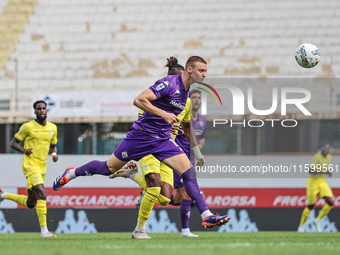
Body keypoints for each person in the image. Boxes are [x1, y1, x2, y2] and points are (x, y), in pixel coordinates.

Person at [53, 56, 230, 239]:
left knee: (188, 173)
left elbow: (185, 126)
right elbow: (138, 100)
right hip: (142, 137)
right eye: (202, 71)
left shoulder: (186, 92)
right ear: (190, 69)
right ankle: (72, 173)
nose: (205, 75)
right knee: (108, 168)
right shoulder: (168, 83)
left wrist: (196, 151)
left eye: (206, 71)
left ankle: (206, 216)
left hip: (162, 140)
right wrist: (165, 114)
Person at [114, 84, 210, 238]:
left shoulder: (203, 120)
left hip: (186, 155)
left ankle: (136, 178)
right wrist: (168, 127)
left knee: (171, 199)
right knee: (185, 193)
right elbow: (148, 121)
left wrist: (197, 154)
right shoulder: (169, 106)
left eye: (199, 98)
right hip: (171, 153)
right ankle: (185, 230)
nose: (196, 100)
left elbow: (199, 139)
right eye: (194, 97)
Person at [0, 100, 58, 237]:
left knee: (31, 203)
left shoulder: (53, 128)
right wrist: (24, 150)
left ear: (46, 110)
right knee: (42, 194)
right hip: (30, 165)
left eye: (44, 108)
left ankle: (4, 195)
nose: (42, 110)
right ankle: (44, 231)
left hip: (42, 167)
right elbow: (13, 143)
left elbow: (53, 145)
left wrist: (54, 154)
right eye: (39, 108)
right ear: (35, 111)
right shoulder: (27, 127)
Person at [298, 143, 334, 232]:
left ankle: (317, 220)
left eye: (328, 148)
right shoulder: (316, 157)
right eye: (325, 147)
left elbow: (326, 169)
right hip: (312, 184)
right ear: (321, 148)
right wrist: (324, 171)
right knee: (310, 206)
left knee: (330, 202)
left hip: (322, 183)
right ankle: (301, 226)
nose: (326, 149)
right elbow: (310, 169)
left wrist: (329, 172)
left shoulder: (329, 157)